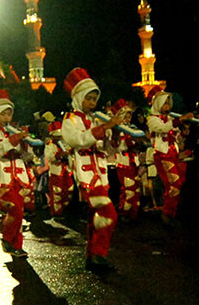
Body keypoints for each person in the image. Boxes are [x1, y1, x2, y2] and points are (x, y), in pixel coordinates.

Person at [61, 68, 124, 271]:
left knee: (94, 217)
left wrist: (114, 134)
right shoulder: (70, 120)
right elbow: (78, 140)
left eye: (94, 99)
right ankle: (99, 253)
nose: (92, 103)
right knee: (108, 213)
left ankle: (91, 256)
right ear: (79, 98)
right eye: (88, 98)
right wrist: (104, 128)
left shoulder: (98, 119)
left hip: (101, 173)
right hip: (87, 175)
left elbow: (109, 149)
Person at [0, 89, 34, 258]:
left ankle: (16, 245)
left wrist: (26, 144)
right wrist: (13, 140)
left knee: (19, 212)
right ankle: (6, 237)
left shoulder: (15, 132)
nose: (7, 118)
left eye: (9, 114)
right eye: (3, 114)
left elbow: (29, 156)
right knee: (14, 210)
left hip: (19, 178)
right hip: (4, 179)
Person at [146, 85, 191, 223]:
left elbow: (175, 135)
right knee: (174, 184)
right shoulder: (152, 119)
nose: (167, 106)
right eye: (164, 103)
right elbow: (163, 128)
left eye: (168, 103)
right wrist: (178, 121)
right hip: (163, 155)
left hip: (173, 154)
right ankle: (167, 212)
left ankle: (171, 212)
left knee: (176, 183)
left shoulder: (170, 119)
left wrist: (183, 132)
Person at [108, 100, 142, 221]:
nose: (128, 119)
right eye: (125, 116)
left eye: (129, 116)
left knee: (135, 187)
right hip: (123, 161)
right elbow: (115, 145)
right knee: (128, 187)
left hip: (133, 160)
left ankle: (134, 211)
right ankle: (124, 211)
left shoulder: (132, 129)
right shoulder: (117, 131)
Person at [42, 120, 74, 217]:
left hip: (67, 170)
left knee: (68, 190)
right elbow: (49, 156)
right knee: (57, 192)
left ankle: (66, 210)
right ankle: (57, 212)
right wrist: (59, 155)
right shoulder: (50, 145)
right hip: (56, 171)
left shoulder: (66, 144)